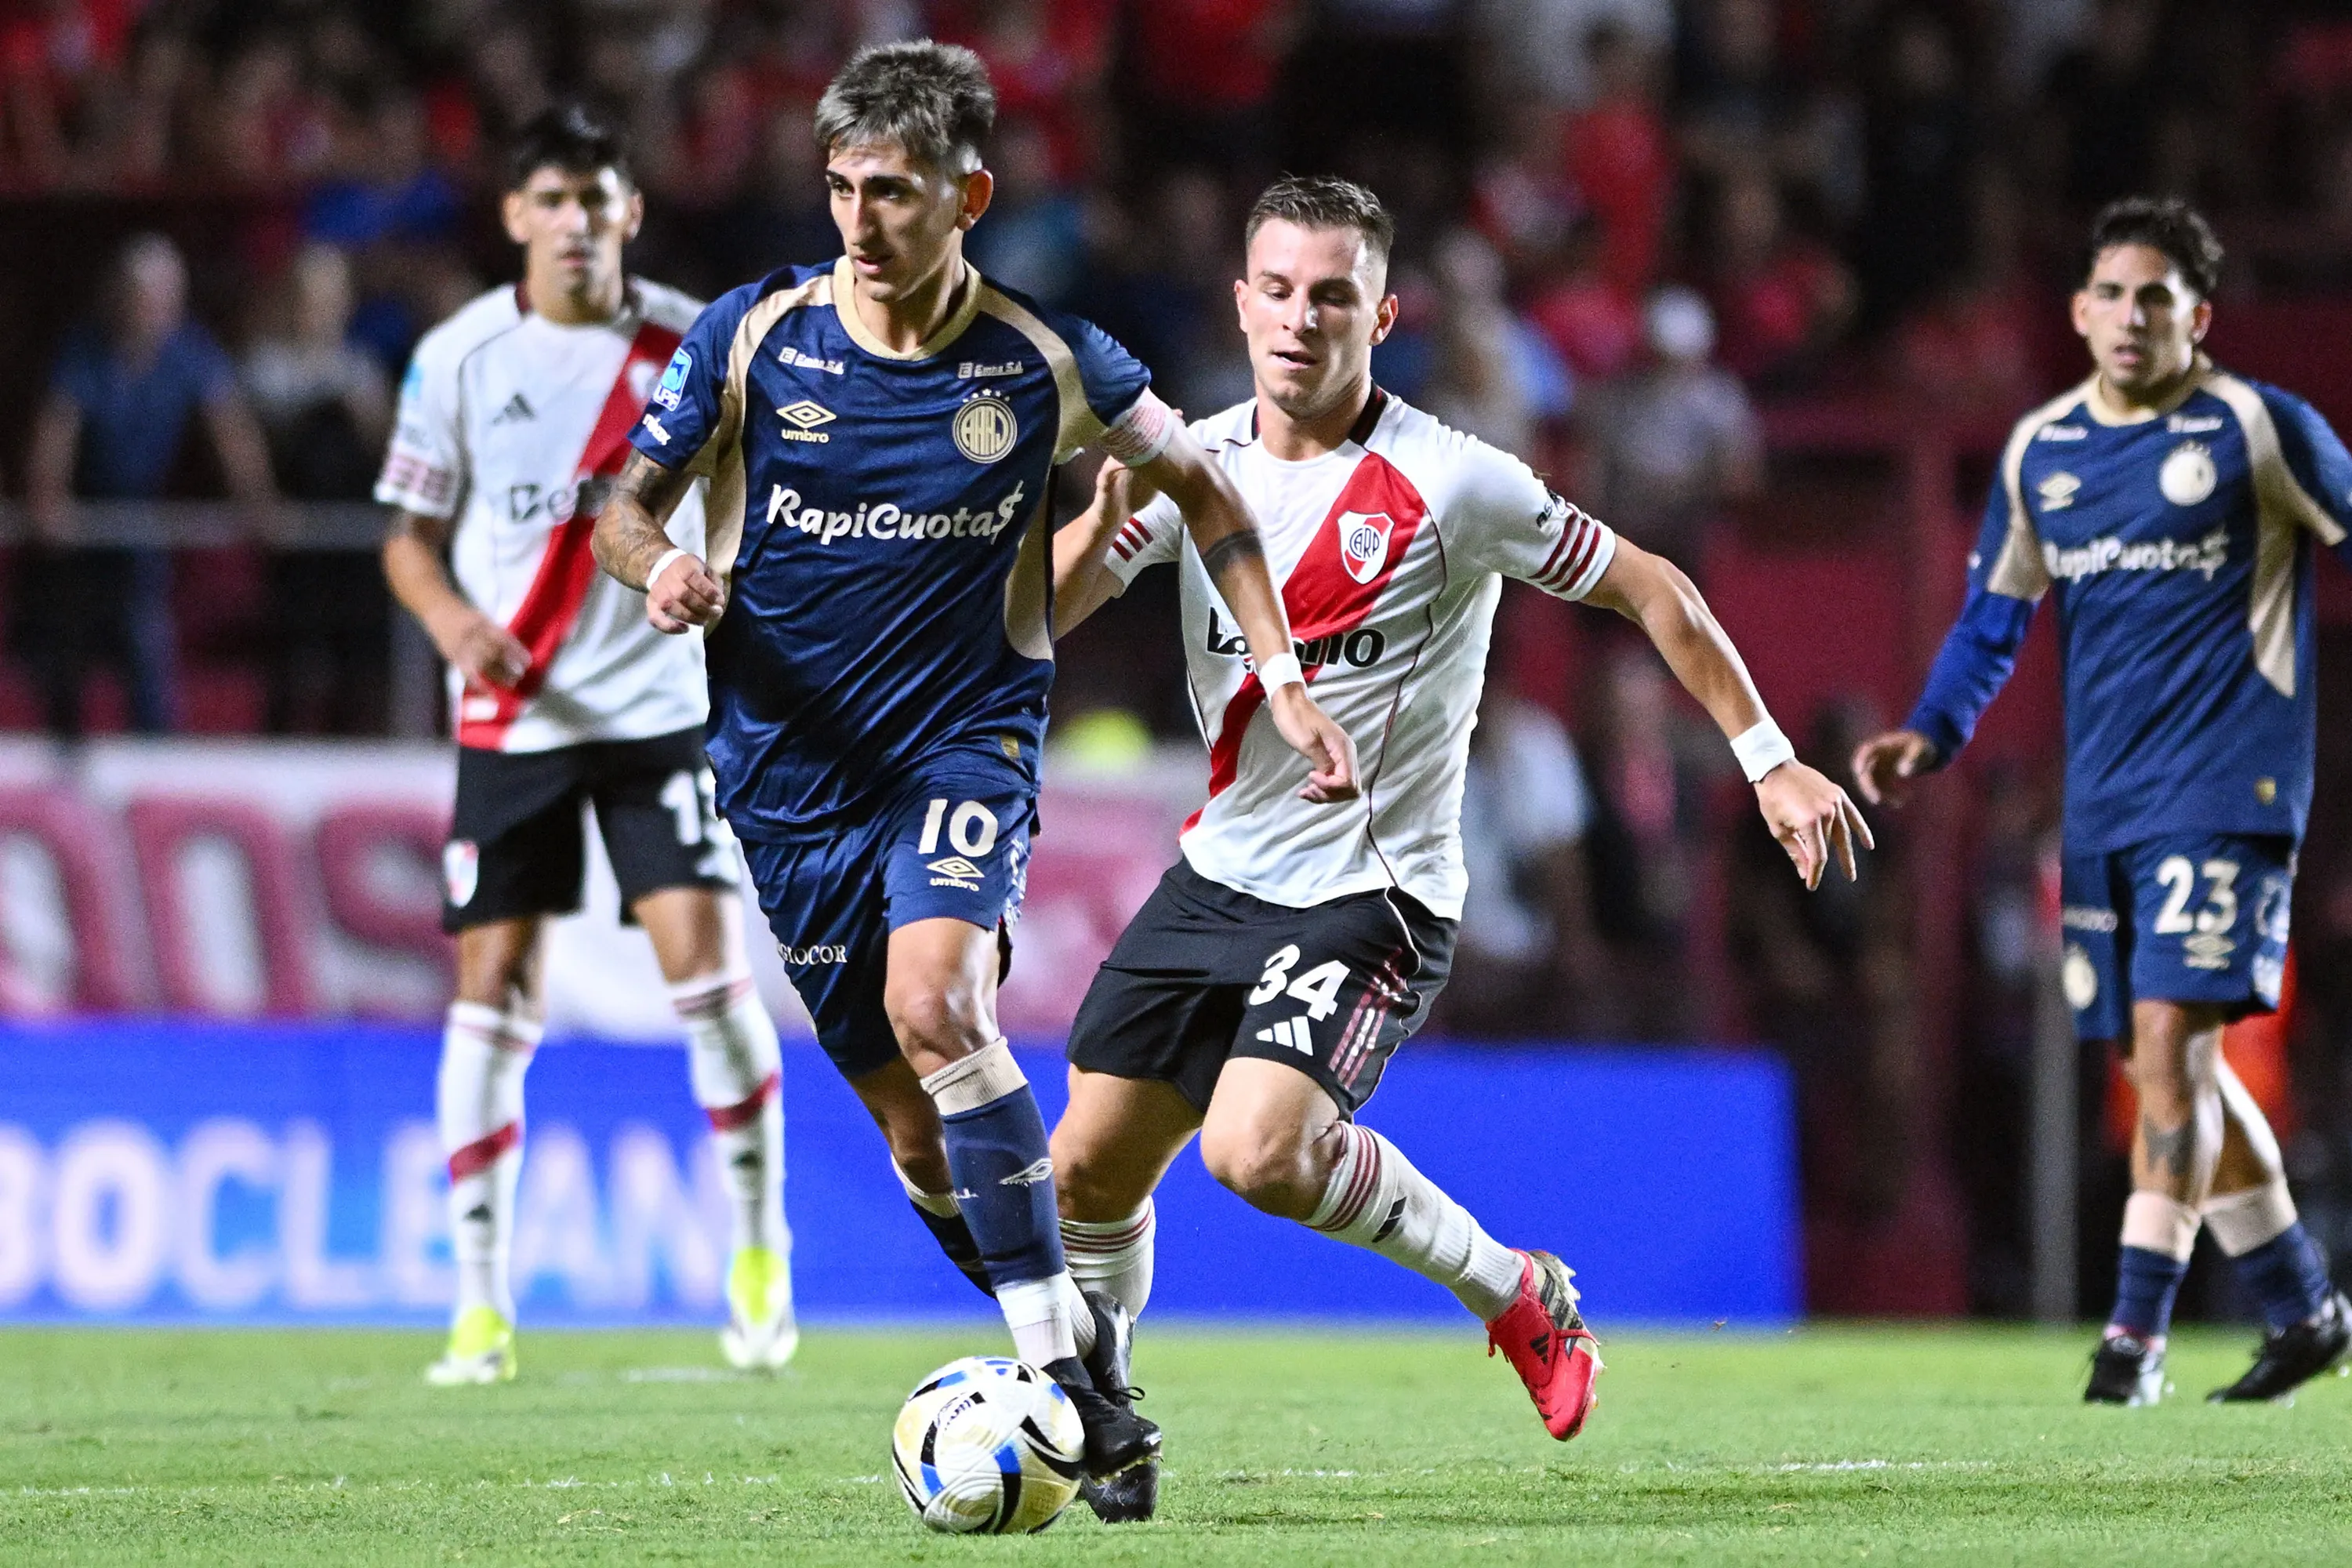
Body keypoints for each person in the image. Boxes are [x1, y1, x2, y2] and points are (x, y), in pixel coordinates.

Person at [588, 42, 1356, 1486]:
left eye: (893, 193)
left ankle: (1062, 1381)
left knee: (937, 1000)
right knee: (918, 1140)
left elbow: (1209, 494)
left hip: (959, 746)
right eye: (841, 190)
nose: (861, 224)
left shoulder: (1047, 360)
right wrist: (658, 569)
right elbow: (621, 507)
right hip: (782, 776)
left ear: (971, 196)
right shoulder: (753, 340)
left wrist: (1282, 675)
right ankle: (1088, 1359)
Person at [1047, 175, 1871, 1520]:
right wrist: (1086, 524)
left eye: (1332, 294)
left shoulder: (1452, 481)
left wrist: (1768, 755)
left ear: (1384, 309)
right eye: (1277, 290)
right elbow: (1053, 606)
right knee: (1086, 1167)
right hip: (1221, 872)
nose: (1301, 319)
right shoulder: (1189, 463)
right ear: (1239, 302)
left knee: (1254, 1153)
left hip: (1377, 889)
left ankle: (1515, 1293)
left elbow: (1652, 587)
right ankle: (1110, 1409)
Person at [1853, 198, 2352, 1405]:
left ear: (2201, 319)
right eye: (2114, 296)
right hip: (2107, 805)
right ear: (2079, 312)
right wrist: (1932, 731)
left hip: (2233, 788)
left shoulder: (2259, 431)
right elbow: (1992, 621)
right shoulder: (2043, 451)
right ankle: (2302, 1303)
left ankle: (2131, 1341)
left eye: (2158, 299)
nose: (2133, 318)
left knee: (2173, 1053)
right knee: (2161, 1061)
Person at [376, 105, 793, 1387]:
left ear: (631, 211)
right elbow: (406, 532)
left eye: (595, 198)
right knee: (491, 990)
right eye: (550, 199)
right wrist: (452, 624)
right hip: (513, 721)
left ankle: (758, 1254)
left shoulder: (691, 343)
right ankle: (482, 1305)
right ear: (516, 216)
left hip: (658, 711)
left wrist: (709, 573)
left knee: (707, 976)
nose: (574, 221)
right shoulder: (456, 355)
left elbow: (747, 498)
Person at [17, 233, 276, 738]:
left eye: (165, 299)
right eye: (143, 297)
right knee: (64, 650)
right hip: (82, 530)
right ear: (118, 297)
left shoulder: (188, 350)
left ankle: (156, 753)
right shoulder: (84, 349)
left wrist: (257, 498)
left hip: (139, 528)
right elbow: (55, 429)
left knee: (146, 640)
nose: (154, 310)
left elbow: (230, 427)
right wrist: (47, 495)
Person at [243, 241, 394, 734]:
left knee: (357, 665)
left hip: (351, 547)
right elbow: (259, 443)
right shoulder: (266, 366)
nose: (321, 311)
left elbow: (387, 448)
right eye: (311, 298)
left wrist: (363, 412)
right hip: (297, 544)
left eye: (332, 299)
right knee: (292, 665)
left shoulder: (360, 368)